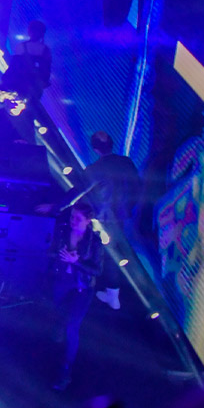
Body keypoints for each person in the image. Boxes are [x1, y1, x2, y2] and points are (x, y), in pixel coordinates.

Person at [49, 201, 104, 390]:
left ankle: (66, 370)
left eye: (78, 219)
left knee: (73, 327)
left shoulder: (94, 242)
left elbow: (97, 270)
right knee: (57, 312)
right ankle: (57, 336)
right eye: (72, 216)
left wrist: (76, 262)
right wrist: (56, 255)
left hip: (83, 287)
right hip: (62, 280)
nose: (73, 221)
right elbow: (52, 250)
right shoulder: (63, 231)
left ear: (88, 221)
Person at [84, 131, 138, 310]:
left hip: (107, 219)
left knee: (110, 256)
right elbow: (138, 187)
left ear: (94, 149)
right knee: (125, 253)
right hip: (128, 215)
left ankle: (112, 295)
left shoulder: (92, 170)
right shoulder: (127, 162)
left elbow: (87, 196)